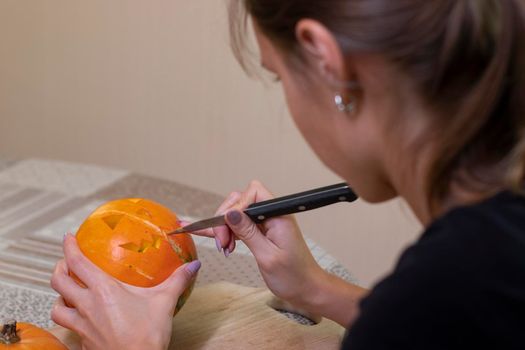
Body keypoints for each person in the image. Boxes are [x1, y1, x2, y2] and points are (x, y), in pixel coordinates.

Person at [50, 0, 525, 349]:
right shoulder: (481, 259)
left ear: (327, 62)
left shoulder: (449, 284)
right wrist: (314, 289)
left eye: (279, 75)